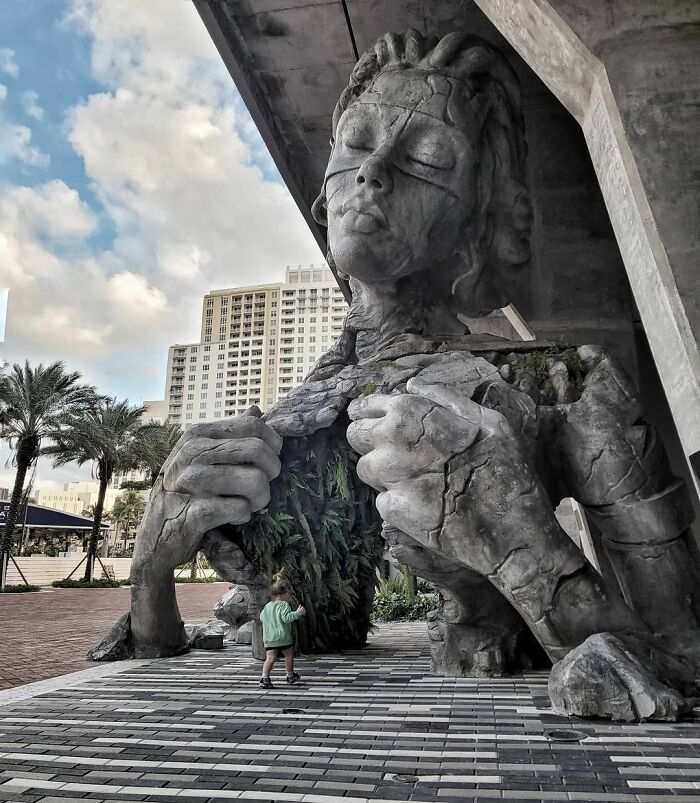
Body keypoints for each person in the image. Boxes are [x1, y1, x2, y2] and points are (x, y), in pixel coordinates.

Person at [259, 577, 306, 688]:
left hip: (269, 638)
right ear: (284, 594)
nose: (290, 597)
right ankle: (290, 676)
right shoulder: (284, 605)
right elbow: (286, 618)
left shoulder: (268, 606)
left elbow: (261, 618)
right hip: (282, 637)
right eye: (290, 594)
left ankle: (264, 678)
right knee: (289, 655)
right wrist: (298, 613)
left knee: (270, 658)